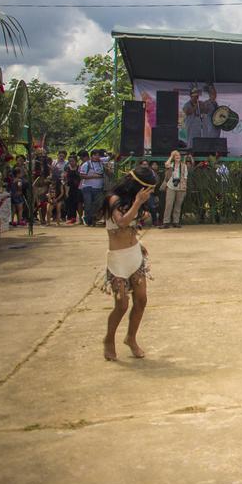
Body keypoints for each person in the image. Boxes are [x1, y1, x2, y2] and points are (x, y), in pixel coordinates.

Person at [100, 164, 157, 361]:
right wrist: (138, 204)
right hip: (117, 260)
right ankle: (109, 339)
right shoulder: (113, 200)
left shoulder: (134, 201)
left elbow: (132, 227)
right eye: (148, 189)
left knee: (141, 299)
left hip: (134, 255)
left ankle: (131, 338)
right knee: (121, 305)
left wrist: (139, 241)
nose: (150, 193)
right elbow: (122, 222)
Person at [160, 150, 188, 228]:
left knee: (178, 205)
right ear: (173, 157)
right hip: (171, 186)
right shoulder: (171, 165)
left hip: (180, 187)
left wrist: (184, 187)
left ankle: (176, 221)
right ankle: (166, 222)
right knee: (169, 204)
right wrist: (171, 156)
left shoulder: (183, 165)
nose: (178, 157)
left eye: (178, 155)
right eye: (176, 156)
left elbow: (185, 177)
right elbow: (166, 164)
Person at [79, 149, 106, 226]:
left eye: (98, 155)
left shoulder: (102, 163)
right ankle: (88, 220)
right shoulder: (86, 164)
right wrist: (94, 176)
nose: (97, 157)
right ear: (91, 156)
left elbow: (111, 158)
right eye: (95, 155)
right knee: (88, 204)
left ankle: (93, 219)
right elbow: (81, 175)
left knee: (97, 204)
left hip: (99, 187)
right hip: (88, 187)